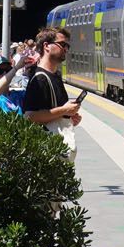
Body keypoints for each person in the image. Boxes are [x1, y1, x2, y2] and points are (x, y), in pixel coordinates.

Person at [22, 26, 82, 157]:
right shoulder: (40, 79)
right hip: (48, 155)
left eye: (67, 46)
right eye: (62, 44)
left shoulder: (55, 76)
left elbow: (53, 110)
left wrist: (69, 117)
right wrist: (64, 111)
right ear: (46, 46)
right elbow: (29, 117)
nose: (65, 49)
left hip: (57, 153)